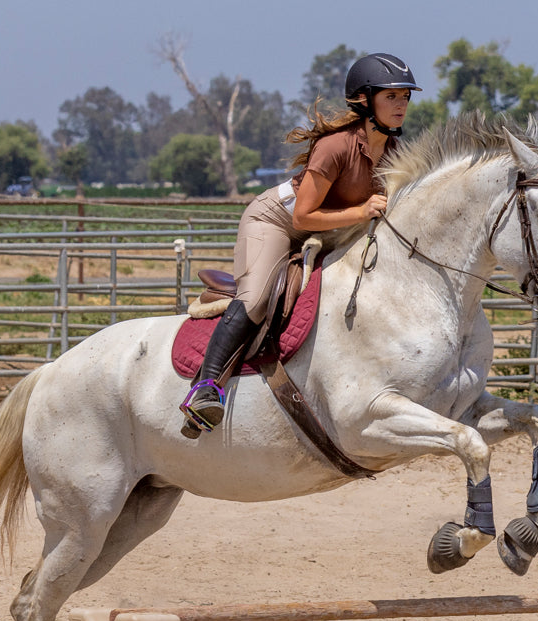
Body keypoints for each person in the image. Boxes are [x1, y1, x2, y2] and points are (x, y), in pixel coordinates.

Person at [180, 52, 421, 438]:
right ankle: (205, 388)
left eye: (405, 97)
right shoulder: (335, 146)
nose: (401, 105)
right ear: (364, 100)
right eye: (391, 96)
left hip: (329, 229)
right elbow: (302, 218)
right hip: (275, 220)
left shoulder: (393, 151)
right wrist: (362, 211)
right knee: (257, 298)